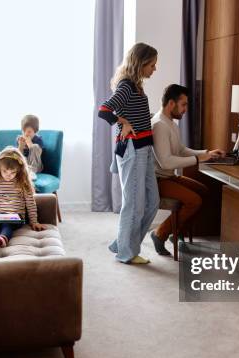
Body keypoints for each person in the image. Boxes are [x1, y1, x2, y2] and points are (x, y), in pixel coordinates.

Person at [98, 42, 160, 264]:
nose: (155, 69)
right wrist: (120, 121)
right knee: (133, 204)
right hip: (133, 149)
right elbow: (104, 110)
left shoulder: (136, 85)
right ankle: (127, 252)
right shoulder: (126, 86)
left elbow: (136, 114)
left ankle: (122, 242)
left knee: (152, 201)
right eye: (152, 65)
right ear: (141, 63)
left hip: (144, 149)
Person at [149, 84, 225, 256]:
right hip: (159, 179)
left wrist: (206, 153)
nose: (185, 109)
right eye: (183, 105)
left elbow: (181, 149)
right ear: (171, 104)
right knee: (194, 201)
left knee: (204, 191)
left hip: (169, 177)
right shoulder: (159, 125)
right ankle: (159, 234)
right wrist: (198, 159)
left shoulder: (171, 124)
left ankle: (177, 232)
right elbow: (165, 162)